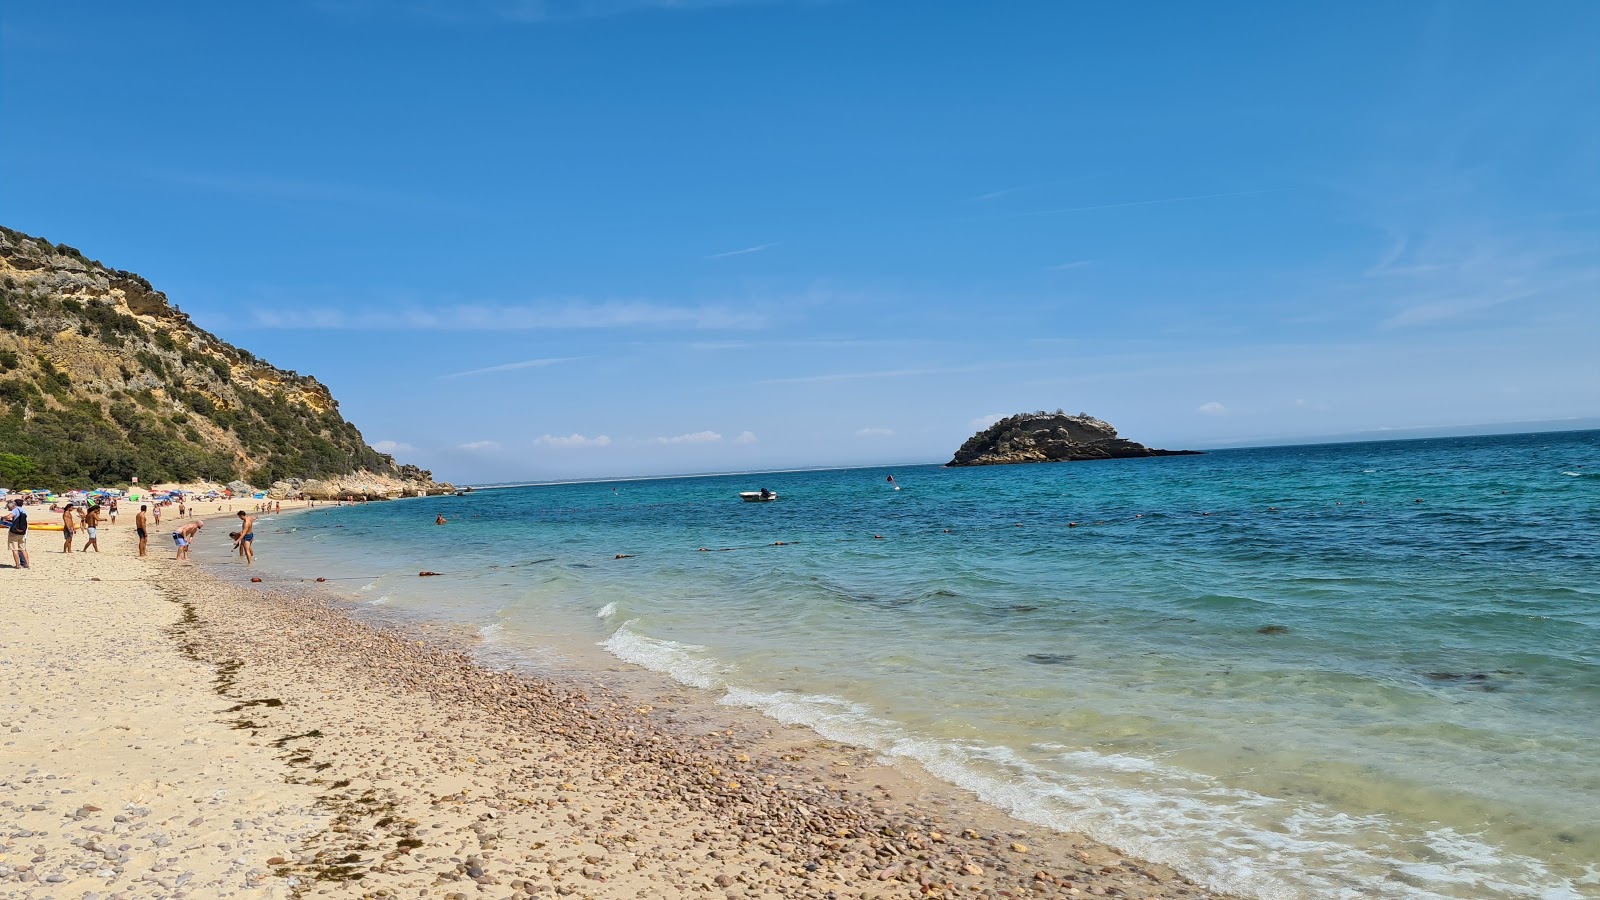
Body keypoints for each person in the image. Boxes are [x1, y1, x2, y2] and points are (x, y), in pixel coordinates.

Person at [3, 500, 29, 568]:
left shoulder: (15, 510)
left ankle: (18, 565)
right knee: (23, 549)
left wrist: (3, 517)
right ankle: (27, 564)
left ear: (12, 506)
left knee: (15, 549)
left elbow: (9, 517)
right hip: (22, 532)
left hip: (14, 532)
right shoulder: (24, 510)